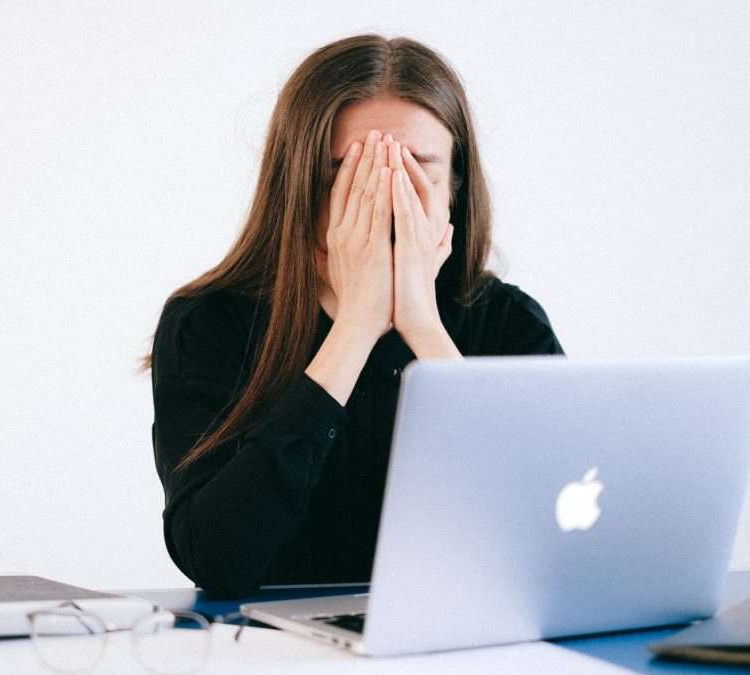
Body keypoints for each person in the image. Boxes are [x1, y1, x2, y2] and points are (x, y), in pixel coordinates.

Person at [136, 34, 565, 599]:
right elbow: (216, 558)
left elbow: (552, 536)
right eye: (351, 174)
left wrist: (422, 326)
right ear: (298, 186)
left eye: (417, 172)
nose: (385, 199)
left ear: (455, 188)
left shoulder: (508, 322)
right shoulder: (208, 324)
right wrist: (355, 329)